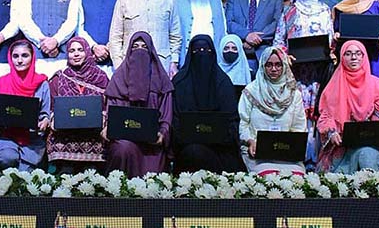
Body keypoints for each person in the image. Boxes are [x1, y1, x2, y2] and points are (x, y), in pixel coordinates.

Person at [272, 0, 334, 169]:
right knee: (298, 114)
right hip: (298, 73)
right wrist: (285, 56)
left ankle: (317, 160)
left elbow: (331, 39)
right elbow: (279, 41)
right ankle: (298, 158)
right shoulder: (290, 11)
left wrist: (331, 52)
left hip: (319, 72)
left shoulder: (325, 10)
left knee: (318, 113)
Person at [104, 32, 173, 177]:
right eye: (135, 47)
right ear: (129, 51)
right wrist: (108, 128)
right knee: (122, 149)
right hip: (124, 139)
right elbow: (111, 112)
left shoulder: (161, 80)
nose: (139, 51)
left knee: (154, 170)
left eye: (144, 47)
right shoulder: (118, 80)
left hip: (152, 143)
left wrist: (162, 134)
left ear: (151, 52)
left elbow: (166, 116)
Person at [316, 41, 379, 173]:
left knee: (366, 156)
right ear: (342, 57)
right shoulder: (333, 86)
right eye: (348, 54)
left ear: (364, 57)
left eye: (358, 54)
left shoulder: (377, 85)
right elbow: (325, 116)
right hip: (340, 145)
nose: (354, 58)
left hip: (369, 143)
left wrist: (365, 133)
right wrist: (331, 132)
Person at [172, 35, 242, 173]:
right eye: (197, 51)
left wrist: (219, 136)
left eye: (206, 51)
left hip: (221, 148)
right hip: (187, 147)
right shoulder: (180, 83)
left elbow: (232, 120)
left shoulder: (223, 83)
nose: (202, 55)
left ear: (213, 54)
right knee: (194, 152)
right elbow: (175, 120)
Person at [239, 46, 306, 175]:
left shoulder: (294, 93)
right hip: (257, 151)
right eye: (269, 65)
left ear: (284, 66)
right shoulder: (251, 91)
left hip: (286, 153)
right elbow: (243, 123)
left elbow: (299, 127)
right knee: (268, 177)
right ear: (263, 66)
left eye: (278, 65)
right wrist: (250, 141)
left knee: (296, 180)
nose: (274, 69)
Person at [47, 37, 109, 173]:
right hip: (65, 134)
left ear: (87, 52)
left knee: (91, 175)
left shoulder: (101, 77)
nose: (76, 54)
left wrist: (102, 120)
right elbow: (52, 106)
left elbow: (107, 105)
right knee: (65, 173)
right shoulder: (60, 77)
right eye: (71, 51)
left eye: (80, 50)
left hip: (93, 134)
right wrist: (54, 121)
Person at [109, 0, 181, 76]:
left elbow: (175, 36)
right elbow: (115, 36)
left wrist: (173, 62)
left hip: (161, 65)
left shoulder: (169, 0)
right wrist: (118, 65)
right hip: (131, 65)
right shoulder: (124, 0)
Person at [18, 0, 80, 77]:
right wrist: (43, 42)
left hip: (62, 57)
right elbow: (25, 21)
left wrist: (56, 41)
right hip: (35, 56)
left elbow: (72, 22)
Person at [0, 40, 51, 171]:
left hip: (33, 139)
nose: (19, 60)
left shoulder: (42, 83)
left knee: (25, 173)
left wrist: (45, 121)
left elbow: (45, 114)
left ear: (32, 57)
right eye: (15, 56)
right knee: (7, 158)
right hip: (6, 135)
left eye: (25, 56)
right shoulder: (2, 82)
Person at [225, 0, 284, 71]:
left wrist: (255, 39)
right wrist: (246, 35)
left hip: (265, 56)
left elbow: (277, 23)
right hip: (239, 54)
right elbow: (228, 23)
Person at [77, 0, 120, 72]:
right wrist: (94, 47)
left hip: (114, 60)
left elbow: (125, 29)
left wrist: (108, 48)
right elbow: (79, 28)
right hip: (89, 58)